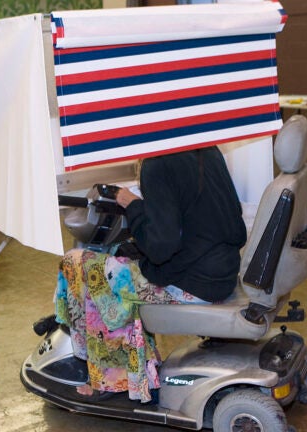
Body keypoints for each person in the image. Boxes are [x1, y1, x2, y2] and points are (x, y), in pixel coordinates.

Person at [54, 146, 247, 403]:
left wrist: (132, 205)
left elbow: (159, 248)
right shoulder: (207, 148)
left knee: (78, 263)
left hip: (190, 282)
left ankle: (113, 378)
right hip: (220, 271)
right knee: (117, 258)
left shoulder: (157, 163)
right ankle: (135, 368)